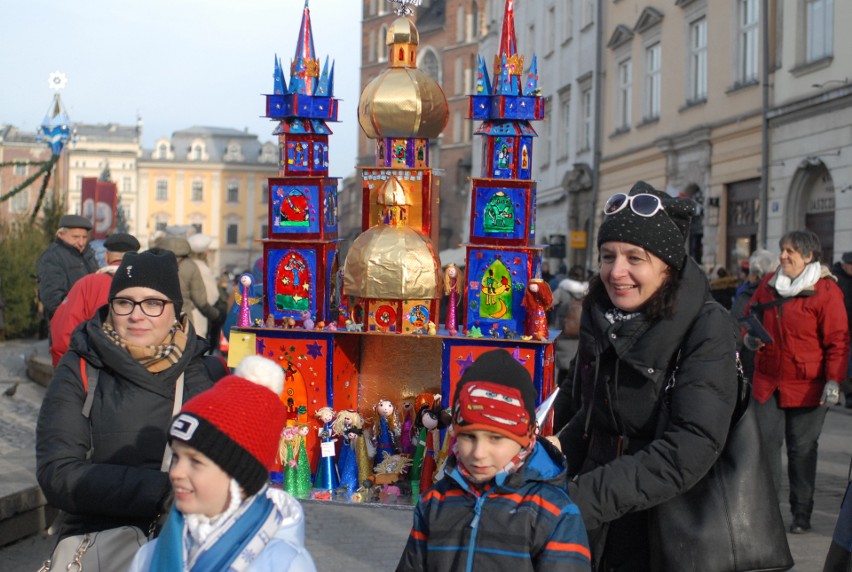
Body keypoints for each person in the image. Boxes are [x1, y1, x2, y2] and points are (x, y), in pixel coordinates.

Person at [552, 181, 738, 571]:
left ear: (667, 266)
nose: (616, 272)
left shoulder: (706, 326)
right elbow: (582, 409)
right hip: (593, 520)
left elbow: (692, 444)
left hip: (667, 523)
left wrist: (582, 498)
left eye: (634, 258)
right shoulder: (600, 314)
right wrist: (538, 457)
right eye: (608, 256)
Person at [36, 248, 220, 571]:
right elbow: (59, 472)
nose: (137, 315)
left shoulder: (203, 373)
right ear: (111, 308)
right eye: (124, 302)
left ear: (175, 311)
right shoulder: (82, 366)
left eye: (153, 303)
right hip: (98, 549)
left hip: (183, 549)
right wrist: (163, 490)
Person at [396, 349, 592, 572]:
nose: (479, 452)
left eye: (496, 439)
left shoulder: (554, 512)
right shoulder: (435, 502)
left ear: (525, 438)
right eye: (469, 436)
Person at [128, 355, 317, 571]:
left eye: (196, 462)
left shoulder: (284, 564)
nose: (176, 472)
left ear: (240, 475)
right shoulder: (150, 555)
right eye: (177, 457)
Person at [745, 230, 850, 534]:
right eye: (782, 250)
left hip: (808, 386)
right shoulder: (767, 284)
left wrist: (834, 380)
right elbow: (750, 316)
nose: (783, 256)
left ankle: (801, 513)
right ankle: (766, 512)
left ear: (808, 257)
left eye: (790, 251)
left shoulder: (826, 290)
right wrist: (749, 338)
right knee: (763, 446)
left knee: (801, 451)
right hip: (769, 381)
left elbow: (838, 340)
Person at [49, 232, 141, 366]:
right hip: (139, 372)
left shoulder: (87, 284)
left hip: (96, 372)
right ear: (137, 258)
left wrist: (68, 372)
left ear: (106, 256)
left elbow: (63, 333)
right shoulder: (151, 286)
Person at [37, 214, 99, 321]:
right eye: (75, 237)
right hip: (68, 323)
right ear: (60, 234)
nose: (81, 242)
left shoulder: (88, 254)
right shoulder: (53, 257)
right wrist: (75, 316)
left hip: (89, 322)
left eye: (84, 237)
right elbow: (52, 296)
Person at [729, 248, 778, 381]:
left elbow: (735, 332)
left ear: (756, 275)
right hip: (774, 362)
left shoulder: (747, 297)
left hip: (749, 360)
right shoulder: (780, 295)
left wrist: (732, 363)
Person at [160, 236, 221, 336]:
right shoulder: (190, 266)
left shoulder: (157, 263)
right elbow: (201, 302)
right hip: (183, 319)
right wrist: (216, 316)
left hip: (158, 317)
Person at [187, 233, 225, 340]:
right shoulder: (202, 268)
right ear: (204, 253)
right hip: (198, 314)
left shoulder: (185, 264)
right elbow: (212, 295)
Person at [831, 252, 852, 407]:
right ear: (844, 264)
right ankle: (847, 393)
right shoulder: (835, 279)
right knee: (842, 363)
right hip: (839, 327)